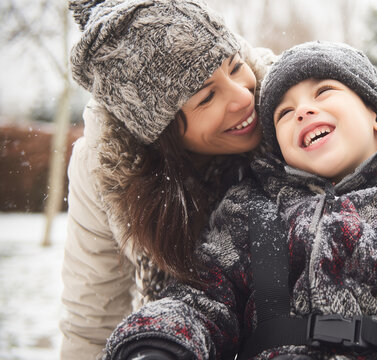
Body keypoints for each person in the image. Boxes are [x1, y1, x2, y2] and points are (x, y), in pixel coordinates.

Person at [102, 41, 377, 360]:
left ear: (376, 115)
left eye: (323, 91)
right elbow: (202, 299)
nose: (303, 111)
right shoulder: (252, 213)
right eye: (284, 113)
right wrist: (159, 341)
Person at [60, 0, 275, 358]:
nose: (243, 96)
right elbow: (92, 315)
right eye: (207, 96)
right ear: (160, 133)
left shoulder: (293, 112)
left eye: (236, 67)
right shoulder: (107, 170)